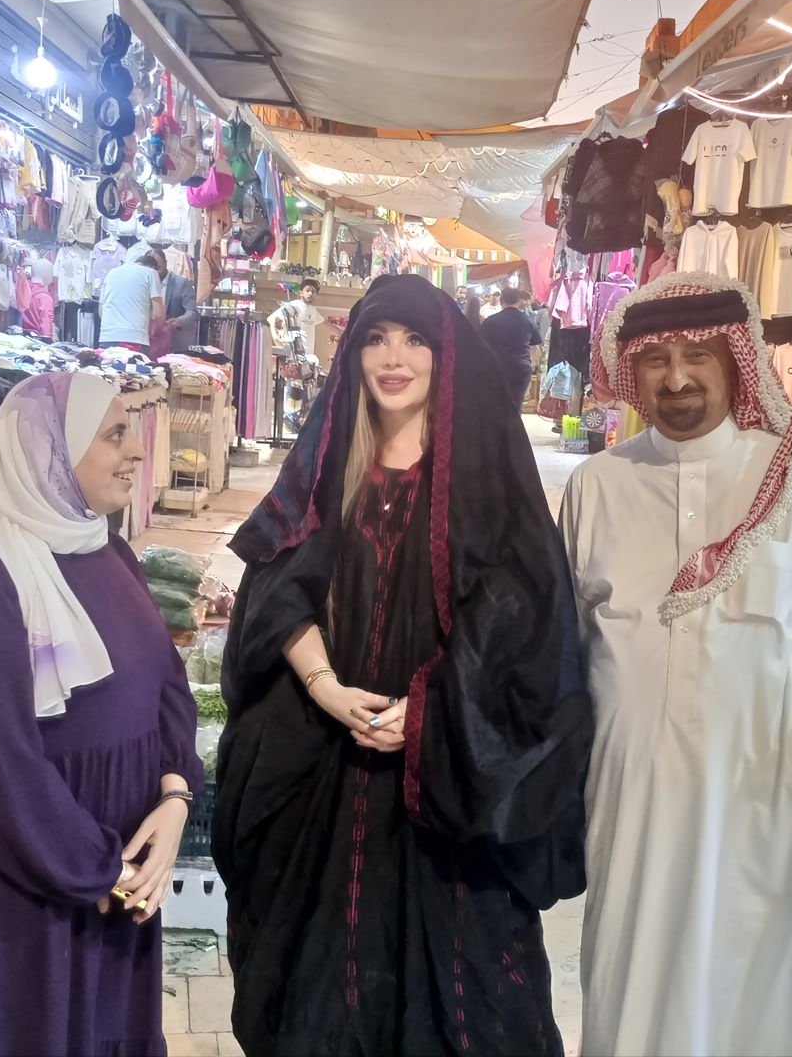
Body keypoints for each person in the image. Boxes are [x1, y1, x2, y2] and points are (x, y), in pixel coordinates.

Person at [215, 274, 591, 1056]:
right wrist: (323, 686)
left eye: (415, 339)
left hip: (445, 780)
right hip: (328, 762)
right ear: (352, 353)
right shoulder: (329, 465)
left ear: (444, 355)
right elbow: (277, 591)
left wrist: (429, 713)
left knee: (467, 997)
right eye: (377, 339)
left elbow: (522, 625)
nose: (394, 358)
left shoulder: (485, 478)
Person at [561, 273, 792, 1057]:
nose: (676, 378)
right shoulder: (598, 486)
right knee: (631, 987)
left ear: (735, 361)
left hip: (769, 793)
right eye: (656, 359)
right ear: (631, 371)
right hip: (634, 802)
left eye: (697, 356)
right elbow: (560, 648)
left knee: (760, 994)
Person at [0, 371, 203, 1056]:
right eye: (114, 435)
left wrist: (175, 796)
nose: (138, 451)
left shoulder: (110, 553)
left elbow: (166, 685)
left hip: (117, 873)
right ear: (49, 453)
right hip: (32, 884)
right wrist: (91, 866)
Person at [479, 285, 543, 410]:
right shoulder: (528, 320)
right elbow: (535, 347)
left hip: (496, 368)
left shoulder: (491, 321)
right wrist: (531, 365)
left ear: (502, 301)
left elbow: (480, 346)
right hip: (520, 368)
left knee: (495, 406)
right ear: (518, 301)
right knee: (515, 406)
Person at [99, 250, 165, 353]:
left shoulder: (112, 273)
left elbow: (101, 309)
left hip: (107, 336)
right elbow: (158, 314)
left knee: (109, 363)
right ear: (153, 267)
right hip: (135, 337)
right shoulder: (151, 273)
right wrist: (155, 331)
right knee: (135, 363)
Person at [148, 245, 199, 356]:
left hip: (174, 342)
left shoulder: (182, 283)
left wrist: (178, 321)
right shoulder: (145, 283)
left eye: (158, 268)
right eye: (152, 269)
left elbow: (192, 312)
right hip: (150, 341)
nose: (155, 272)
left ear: (166, 263)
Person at [267, 276, 324, 356]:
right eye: (307, 290)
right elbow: (271, 319)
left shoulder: (313, 310)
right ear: (301, 292)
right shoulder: (293, 306)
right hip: (293, 354)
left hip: (308, 354)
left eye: (313, 291)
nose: (310, 293)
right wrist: (276, 339)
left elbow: (323, 321)